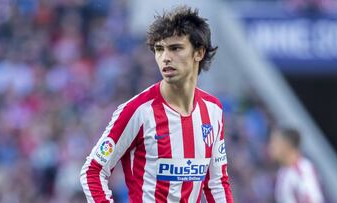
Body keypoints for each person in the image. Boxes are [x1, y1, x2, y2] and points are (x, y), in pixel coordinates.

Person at [80, 6, 234, 203]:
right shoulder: (137, 111)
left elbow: (217, 182)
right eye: (159, 49)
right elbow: (92, 171)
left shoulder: (213, 110)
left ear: (199, 53)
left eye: (176, 48)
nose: (165, 57)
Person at [268, 127, 324, 203]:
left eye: (275, 143)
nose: (271, 147)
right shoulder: (284, 171)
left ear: (287, 144)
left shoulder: (302, 169)